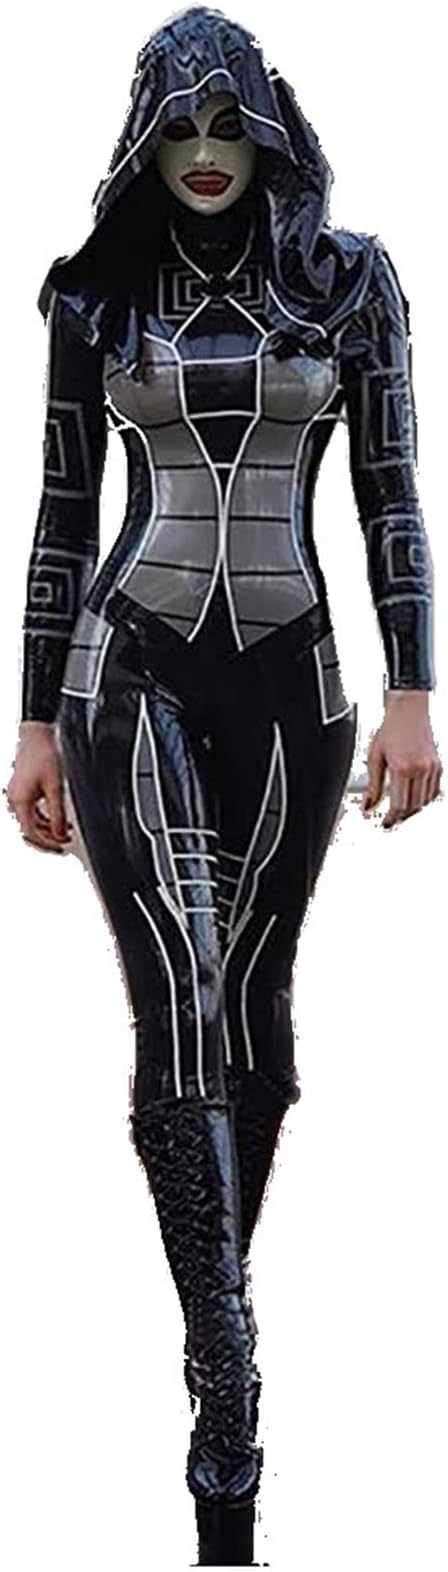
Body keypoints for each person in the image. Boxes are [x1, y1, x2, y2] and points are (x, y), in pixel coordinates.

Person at [6, 6, 442, 1564]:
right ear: (145, 142)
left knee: (254, 1008)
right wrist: (34, 724)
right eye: (178, 130)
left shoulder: (353, 281)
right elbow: (63, 509)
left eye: (227, 129)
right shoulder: (94, 293)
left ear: (265, 134)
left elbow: (391, 492)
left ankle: (216, 1332)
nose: (203, 155)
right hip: (124, 668)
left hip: (295, 685)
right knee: (182, 995)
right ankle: (229, 1383)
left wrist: (414, 690)